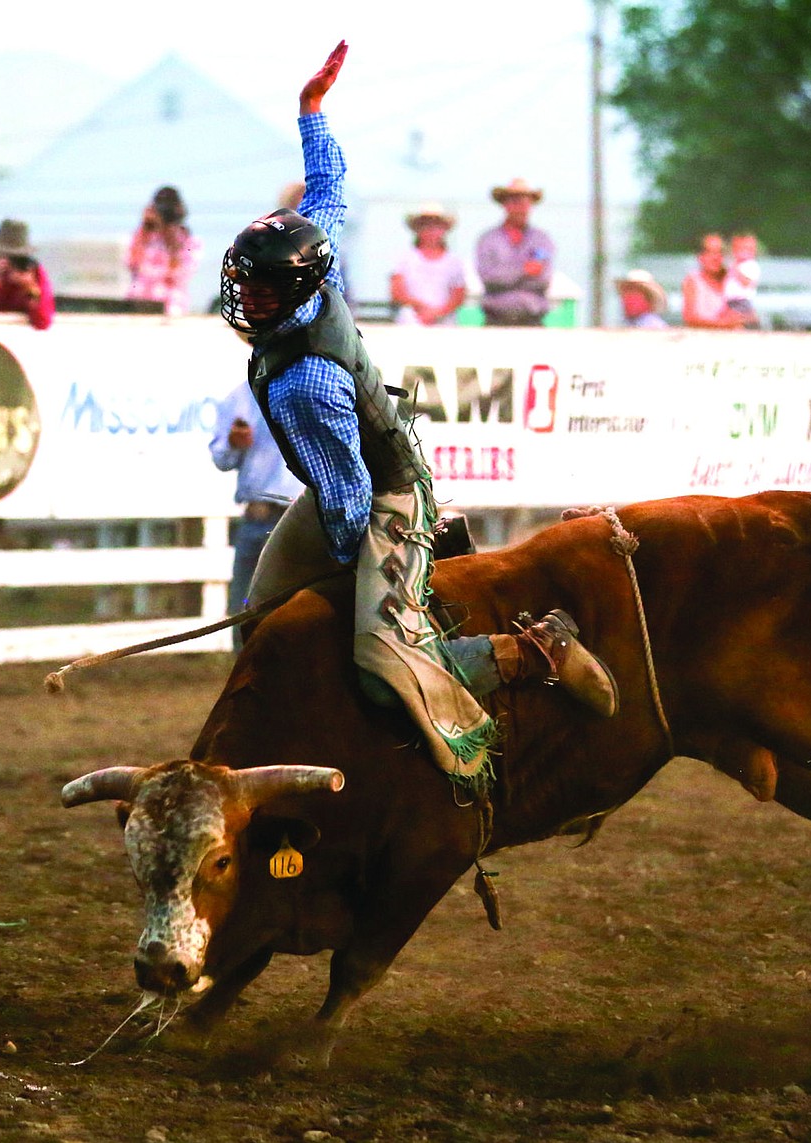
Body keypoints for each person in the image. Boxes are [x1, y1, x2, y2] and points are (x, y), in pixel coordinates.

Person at [217, 41, 617, 784]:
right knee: (261, 622)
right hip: (352, 473)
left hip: (385, 489)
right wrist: (312, 112)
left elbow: (349, 503)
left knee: (380, 658)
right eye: (248, 282)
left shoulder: (307, 377)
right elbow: (330, 186)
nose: (250, 297)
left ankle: (532, 651)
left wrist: (353, 575)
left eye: (262, 288)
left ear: (293, 288)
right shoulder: (318, 257)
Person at [210, 381, 303, 650]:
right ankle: (246, 671)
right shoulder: (240, 397)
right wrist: (232, 443)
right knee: (245, 606)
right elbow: (221, 458)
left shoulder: (303, 388)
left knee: (284, 603)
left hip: (295, 515)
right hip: (260, 516)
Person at [475, 177, 555, 326]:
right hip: (496, 319)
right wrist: (524, 270)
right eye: (514, 201)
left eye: (525, 202)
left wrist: (505, 275)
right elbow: (489, 277)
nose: (520, 207)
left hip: (532, 319)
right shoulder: (488, 240)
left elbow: (543, 279)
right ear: (505, 204)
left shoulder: (542, 240)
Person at [126, 186, 200, 316]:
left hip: (170, 306)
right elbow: (132, 263)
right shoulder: (145, 237)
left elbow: (176, 274)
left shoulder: (189, 241)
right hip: (139, 303)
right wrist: (145, 227)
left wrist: (171, 234)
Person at [390, 203, 466, 325]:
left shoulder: (454, 261)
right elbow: (397, 292)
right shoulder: (405, 259)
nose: (431, 230)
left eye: (436, 225)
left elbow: (459, 295)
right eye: (425, 225)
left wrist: (437, 313)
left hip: (444, 324)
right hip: (411, 322)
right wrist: (420, 307)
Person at [681, 233, 748, 330]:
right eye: (710, 252)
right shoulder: (693, 280)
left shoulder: (729, 280)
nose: (715, 258)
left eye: (720, 253)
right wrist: (722, 324)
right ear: (700, 256)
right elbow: (690, 317)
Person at [724, 232, 761, 329]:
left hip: (741, 301)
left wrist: (736, 271)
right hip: (730, 300)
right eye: (740, 249)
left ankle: (744, 327)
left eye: (748, 250)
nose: (743, 253)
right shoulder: (733, 264)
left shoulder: (751, 266)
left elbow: (746, 283)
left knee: (740, 318)